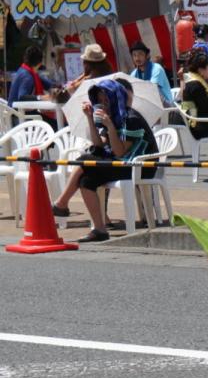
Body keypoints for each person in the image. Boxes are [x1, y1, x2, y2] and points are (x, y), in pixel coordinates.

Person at [51, 79, 158, 243]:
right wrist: (90, 119)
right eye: (99, 101)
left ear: (115, 97)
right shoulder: (113, 116)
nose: (103, 104)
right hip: (121, 162)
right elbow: (99, 145)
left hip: (140, 165)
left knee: (83, 161)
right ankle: (100, 229)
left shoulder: (130, 118)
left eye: (106, 99)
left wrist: (110, 126)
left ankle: (61, 203)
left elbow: (120, 152)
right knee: (87, 180)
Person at [130, 41, 173, 105]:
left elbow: (152, 89)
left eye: (140, 54)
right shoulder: (133, 74)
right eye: (134, 55)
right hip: (148, 105)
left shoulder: (157, 68)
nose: (137, 58)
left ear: (147, 55)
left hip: (165, 105)